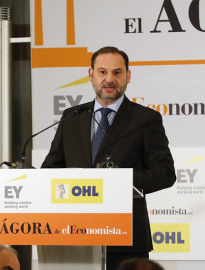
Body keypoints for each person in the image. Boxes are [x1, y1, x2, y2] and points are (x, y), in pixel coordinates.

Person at [41, 46, 176, 270]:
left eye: (117, 72)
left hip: (124, 238)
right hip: (74, 234)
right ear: (90, 74)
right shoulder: (72, 117)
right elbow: (50, 169)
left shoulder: (145, 119)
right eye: (102, 72)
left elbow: (165, 174)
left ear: (128, 76)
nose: (109, 79)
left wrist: (120, 182)